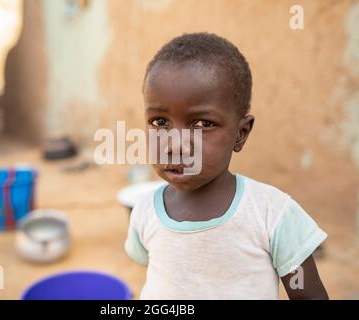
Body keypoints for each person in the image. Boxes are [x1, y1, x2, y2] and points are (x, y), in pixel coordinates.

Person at [124, 32, 328, 300]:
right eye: (160, 123)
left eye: (203, 124)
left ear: (240, 133)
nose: (175, 146)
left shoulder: (273, 215)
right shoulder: (145, 211)